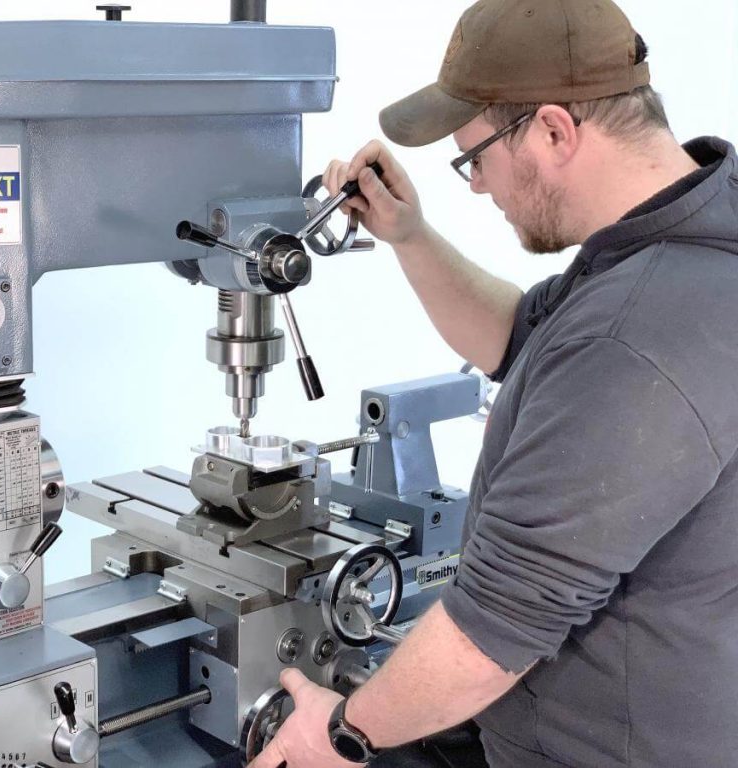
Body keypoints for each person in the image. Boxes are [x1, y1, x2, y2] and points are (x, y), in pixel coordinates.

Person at [249, 0, 738, 766]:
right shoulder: (684, 234)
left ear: (553, 129)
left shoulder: (637, 334)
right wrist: (410, 236)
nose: (475, 186)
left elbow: (493, 631)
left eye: (473, 158)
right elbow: (523, 336)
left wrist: (340, 736)